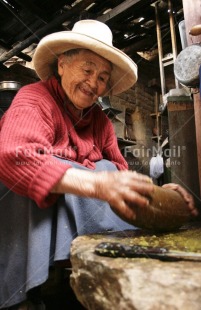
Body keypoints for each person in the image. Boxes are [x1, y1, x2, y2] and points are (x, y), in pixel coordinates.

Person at [0, 20, 197, 310]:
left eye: (103, 78)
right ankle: (22, 297)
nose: (94, 84)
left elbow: (120, 174)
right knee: (83, 172)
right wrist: (95, 183)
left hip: (69, 220)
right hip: (22, 214)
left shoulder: (100, 122)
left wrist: (157, 192)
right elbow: (14, 156)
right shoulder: (35, 98)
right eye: (87, 69)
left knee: (107, 169)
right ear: (62, 64)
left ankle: (81, 275)